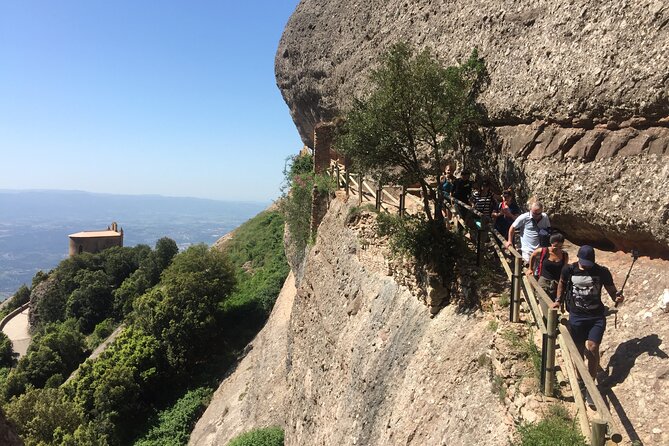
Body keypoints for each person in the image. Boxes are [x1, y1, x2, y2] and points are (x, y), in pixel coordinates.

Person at [553, 245, 623, 406]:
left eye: (588, 263)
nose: (585, 265)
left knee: (592, 348)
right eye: (583, 262)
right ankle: (580, 381)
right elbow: (562, 283)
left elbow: (612, 291)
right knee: (578, 352)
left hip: (596, 317)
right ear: (578, 258)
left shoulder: (602, 272)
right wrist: (558, 300)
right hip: (576, 316)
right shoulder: (569, 270)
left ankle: (591, 386)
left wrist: (617, 298)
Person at [504, 199, 550, 264]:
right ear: (530, 210)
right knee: (529, 270)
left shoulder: (545, 217)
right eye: (534, 213)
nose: (536, 216)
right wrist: (510, 241)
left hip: (541, 250)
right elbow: (512, 227)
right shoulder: (524, 217)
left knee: (539, 271)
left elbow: (548, 230)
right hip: (528, 252)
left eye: (538, 214)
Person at [527, 233, 568, 300]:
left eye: (560, 247)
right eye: (555, 246)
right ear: (551, 243)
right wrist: (530, 268)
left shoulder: (564, 255)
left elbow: (564, 269)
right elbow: (533, 255)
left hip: (557, 284)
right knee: (544, 302)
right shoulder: (544, 251)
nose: (557, 249)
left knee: (554, 304)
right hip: (544, 282)